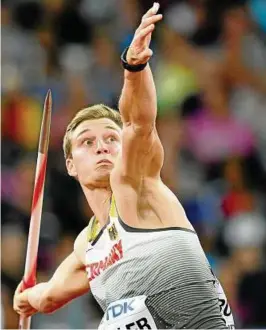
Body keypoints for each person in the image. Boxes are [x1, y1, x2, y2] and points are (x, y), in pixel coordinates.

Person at [13, 3, 235, 329]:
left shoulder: (137, 186)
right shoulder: (87, 247)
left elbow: (138, 122)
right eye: (88, 141)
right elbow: (49, 297)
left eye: (110, 139)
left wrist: (134, 68)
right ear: (71, 165)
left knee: (120, 317)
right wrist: (26, 299)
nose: (102, 145)